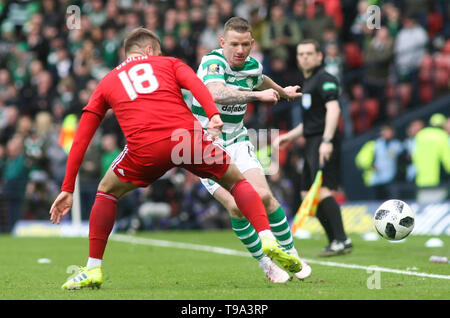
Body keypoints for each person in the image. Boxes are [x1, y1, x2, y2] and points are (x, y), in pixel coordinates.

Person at [49, 27, 303, 289]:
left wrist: (67, 188)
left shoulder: (107, 82)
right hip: (187, 139)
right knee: (238, 182)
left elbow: (82, 137)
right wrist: (213, 114)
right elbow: (197, 85)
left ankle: (93, 268)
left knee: (106, 191)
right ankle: (266, 236)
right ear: (150, 50)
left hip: (146, 150)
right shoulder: (169, 62)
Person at [190, 17, 311, 281]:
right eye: (234, 44)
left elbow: (260, 77)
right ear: (222, 42)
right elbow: (216, 93)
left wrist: (283, 91)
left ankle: (290, 254)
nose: (240, 50)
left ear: (252, 43)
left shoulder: (251, 64)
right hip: (205, 147)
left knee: (265, 197)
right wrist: (258, 96)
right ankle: (265, 263)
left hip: (237, 140)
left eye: (245, 44)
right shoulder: (213, 62)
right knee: (235, 206)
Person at [272, 39, 352, 257]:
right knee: (308, 193)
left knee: (322, 189)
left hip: (323, 141)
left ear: (319, 56)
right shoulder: (308, 82)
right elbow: (310, 122)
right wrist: (288, 136)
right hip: (312, 140)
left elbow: (334, 110)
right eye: (301, 54)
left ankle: (342, 240)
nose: (305, 57)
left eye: (309, 53)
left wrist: (326, 141)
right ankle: (335, 241)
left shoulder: (326, 79)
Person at [413, 113, 450, 187]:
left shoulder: (420, 135)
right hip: (438, 180)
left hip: (421, 179)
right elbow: (447, 159)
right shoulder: (443, 136)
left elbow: (414, 156)